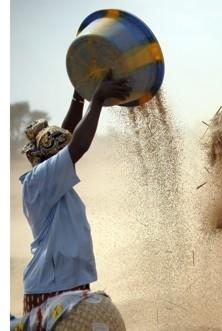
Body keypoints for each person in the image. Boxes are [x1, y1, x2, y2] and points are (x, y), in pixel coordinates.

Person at [19, 70, 130, 314]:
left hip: (68, 283)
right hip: (51, 288)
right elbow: (77, 145)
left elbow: (68, 138)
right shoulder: (39, 181)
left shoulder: (50, 178)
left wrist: (79, 94)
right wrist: (98, 100)